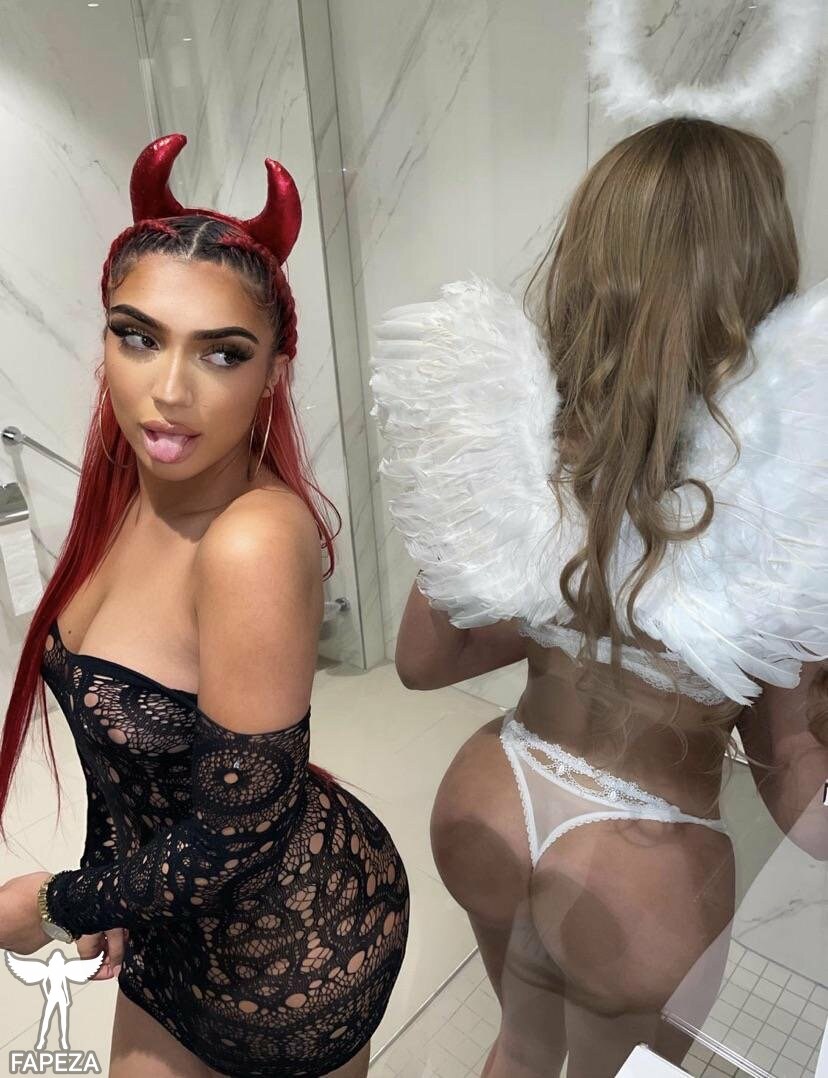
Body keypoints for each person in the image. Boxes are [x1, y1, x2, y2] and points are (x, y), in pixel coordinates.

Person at [370, 116, 827, 1077]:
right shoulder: (788, 504)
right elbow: (800, 795)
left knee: (520, 1049)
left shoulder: (536, 448)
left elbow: (422, 662)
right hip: (645, 863)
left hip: (491, 795)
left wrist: (571, 610)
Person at [0, 132, 409, 1078]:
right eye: (138, 337)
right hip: (167, 908)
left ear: (273, 373)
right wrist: (112, 885)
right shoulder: (126, 498)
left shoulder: (252, 541)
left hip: (287, 948)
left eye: (222, 353)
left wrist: (59, 903)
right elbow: (116, 753)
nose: (170, 391)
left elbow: (243, 829)